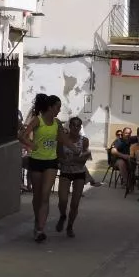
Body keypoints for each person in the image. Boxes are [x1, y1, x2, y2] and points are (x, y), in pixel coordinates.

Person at [19, 93, 70, 242]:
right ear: (50, 107)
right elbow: (22, 135)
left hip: (51, 162)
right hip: (36, 161)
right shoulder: (37, 120)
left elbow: (63, 139)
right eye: (58, 107)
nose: (59, 110)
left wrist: (74, 148)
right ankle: (37, 222)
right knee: (38, 196)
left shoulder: (57, 123)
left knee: (45, 195)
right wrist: (31, 144)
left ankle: (40, 229)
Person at [56, 116, 91, 237]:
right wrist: (65, 161)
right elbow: (59, 156)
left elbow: (85, 157)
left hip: (79, 174)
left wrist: (75, 159)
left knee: (75, 203)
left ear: (80, 127)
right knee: (63, 200)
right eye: (73, 125)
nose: (75, 127)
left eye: (78, 125)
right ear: (69, 126)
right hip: (65, 172)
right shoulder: (63, 140)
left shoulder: (84, 140)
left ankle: (70, 226)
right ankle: (62, 215)